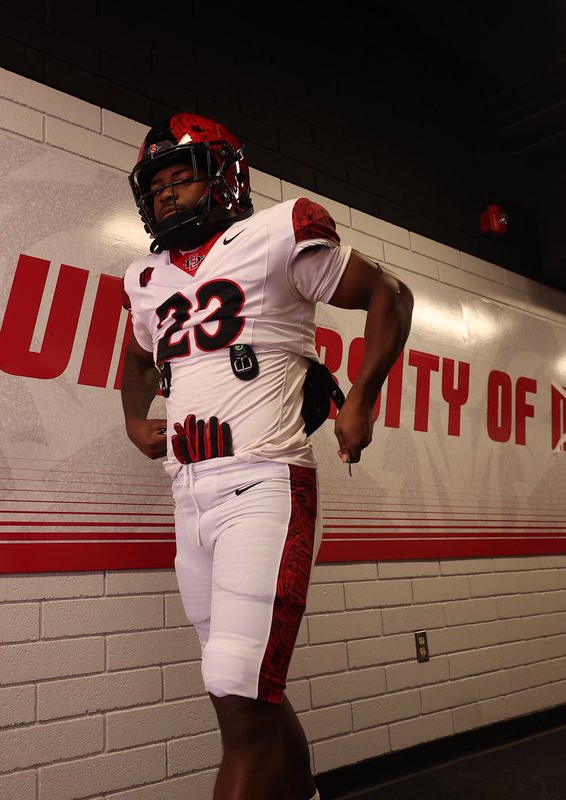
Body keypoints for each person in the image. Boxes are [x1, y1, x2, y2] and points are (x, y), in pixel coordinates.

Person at [119, 113, 412, 800]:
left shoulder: (278, 231)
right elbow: (137, 358)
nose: (165, 194)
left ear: (224, 176)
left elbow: (386, 295)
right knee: (253, 693)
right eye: (154, 183)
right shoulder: (146, 279)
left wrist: (362, 400)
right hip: (187, 498)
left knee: (238, 693)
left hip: (261, 483)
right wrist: (134, 420)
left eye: (180, 177)